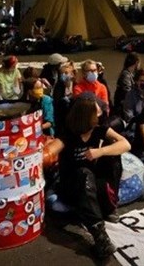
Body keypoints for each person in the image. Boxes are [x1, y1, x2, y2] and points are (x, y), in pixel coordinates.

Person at [44, 98, 131, 259]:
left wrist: (101, 151)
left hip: (91, 183)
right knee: (84, 173)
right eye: (96, 112)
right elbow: (50, 150)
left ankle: (110, 205)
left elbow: (125, 144)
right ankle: (100, 236)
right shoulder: (68, 134)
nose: (100, 114)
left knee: (113, 157)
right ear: (86, 116)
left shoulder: (99, 129)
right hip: (72, 185)